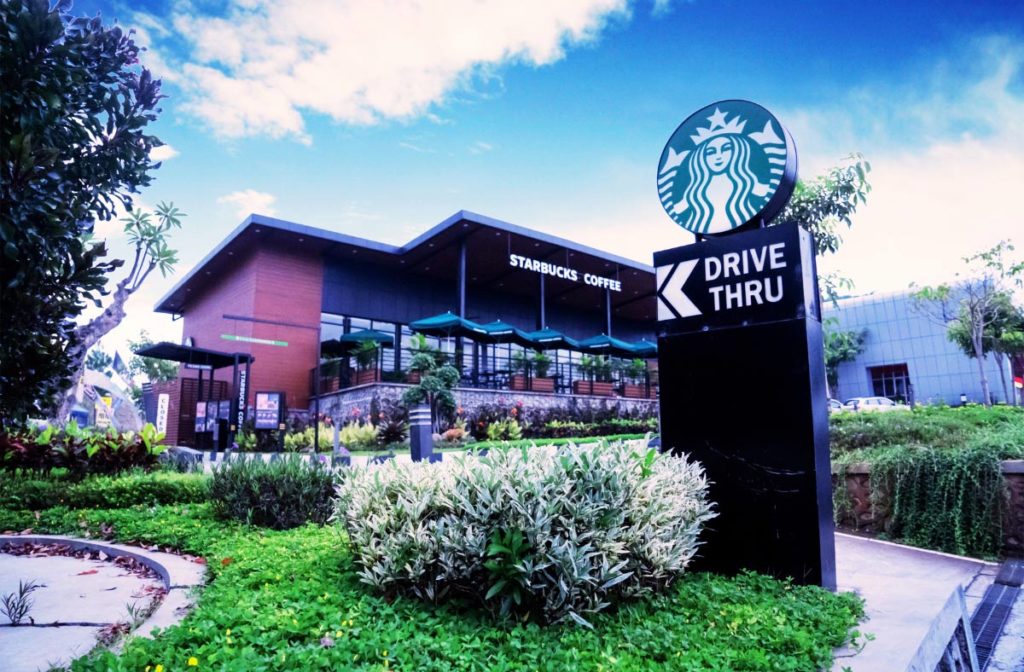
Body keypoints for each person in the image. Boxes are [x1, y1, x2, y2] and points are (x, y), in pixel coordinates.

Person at [671, 131, 770, 234]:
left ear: (736, 152)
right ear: (701, 158)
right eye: (711, 152)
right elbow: (678, 209)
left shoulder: (747, 181)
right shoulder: (694, 190)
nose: (718, 156)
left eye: (726, 149)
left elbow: (765, 191)